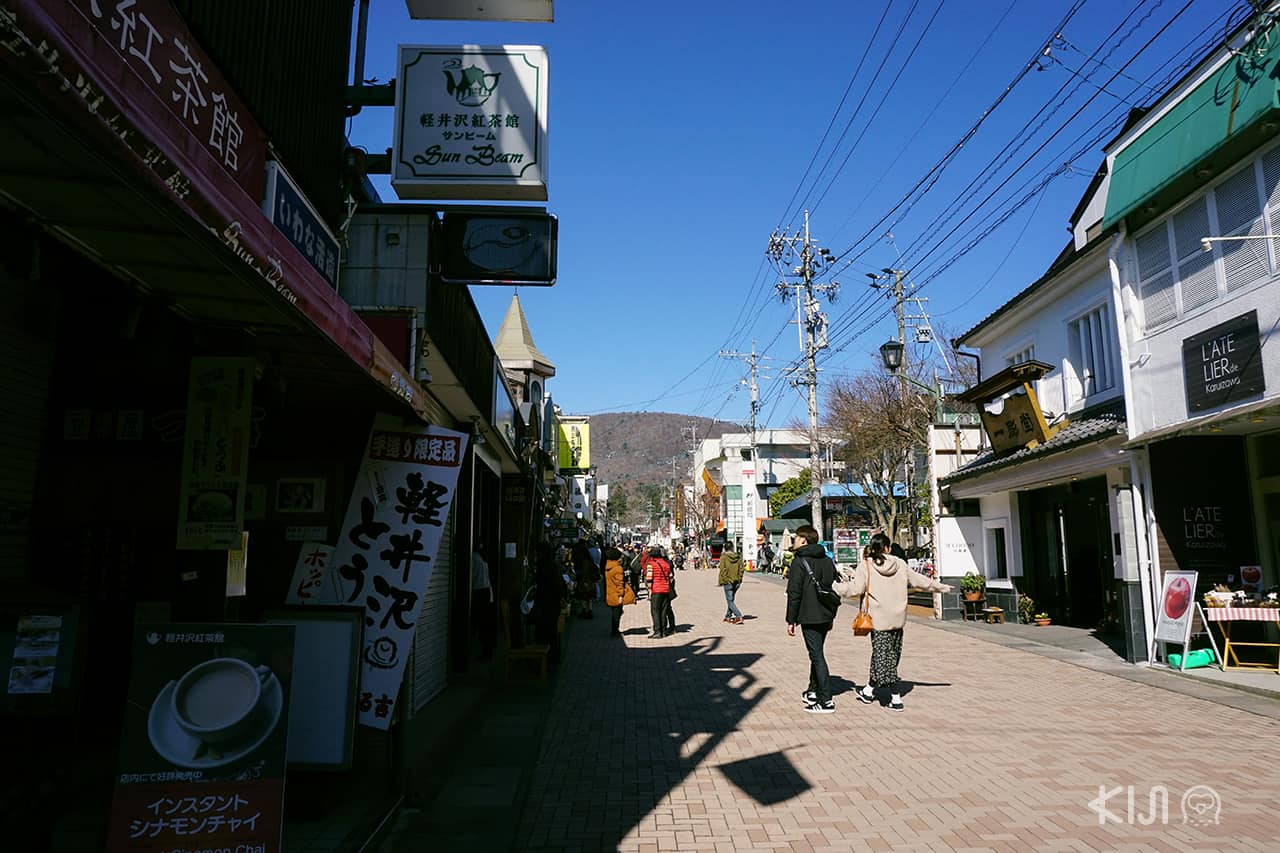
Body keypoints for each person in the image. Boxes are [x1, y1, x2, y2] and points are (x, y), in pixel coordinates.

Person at [834, 532, 952, 712]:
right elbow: (919, 582)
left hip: (878, 619)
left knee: (883, 657)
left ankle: (895, 697)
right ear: (888, 548)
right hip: (898, 618)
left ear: (872, 548)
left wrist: (834, 587)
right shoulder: (901, 564)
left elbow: (854, 589)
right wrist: (940, 587)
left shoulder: (866, 565)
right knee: (889, 655)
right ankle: (869, 690)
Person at [785, 524, 841, 713]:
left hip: (809, 615)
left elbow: (794, 593)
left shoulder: (799, 561)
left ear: (804, 540)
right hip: (826, 612)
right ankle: (813, 690)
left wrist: (791, 620)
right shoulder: (826, 560)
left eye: (797, 537)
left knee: (816, 655)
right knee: (816, 652)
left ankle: (826, 700)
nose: (795, 540)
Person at [532, 542, 565, 667]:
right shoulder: (553, 565)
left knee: (545, 633)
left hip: (546, 604)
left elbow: (544, 587)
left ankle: (546, 661)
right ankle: (553, 659)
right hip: (553, 604)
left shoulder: (544, 566)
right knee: (552, 633)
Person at [603, 546, 633, 636]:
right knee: (617, 613)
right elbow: (619, 583)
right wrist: (621, 595)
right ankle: (615, 631)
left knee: (614, 612)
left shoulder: (608, 566)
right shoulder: (618, 568)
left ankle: (614, 630)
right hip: (616, 594)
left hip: (610, 593)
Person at [644, 546, 674, 638]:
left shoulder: (651, 564)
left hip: (656, 589)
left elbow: (649, 578)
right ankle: (664, 631)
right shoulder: (666, 564)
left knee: (655, 610)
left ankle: (657, 631)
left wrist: (649, 589)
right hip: (665, 589)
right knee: (663, 611)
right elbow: (671, 576)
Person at [471, 543, 494, 660]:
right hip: (486, 592)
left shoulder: (473, 557)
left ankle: (485, 652)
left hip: (478, 592)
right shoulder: (482, 558)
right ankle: (487, 650)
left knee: (481, 624)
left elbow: (471, 576)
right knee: (485, 624)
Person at [718, 540, 745, 624]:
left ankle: (738, 616)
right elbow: (741, 569)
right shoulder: (738, 556)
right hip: (737, 581)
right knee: (731, 599)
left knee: (729, 601)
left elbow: (723, 569)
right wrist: (740, 578)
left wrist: (724, 580)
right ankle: (728, 616)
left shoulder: (724, 557)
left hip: (728, 581)